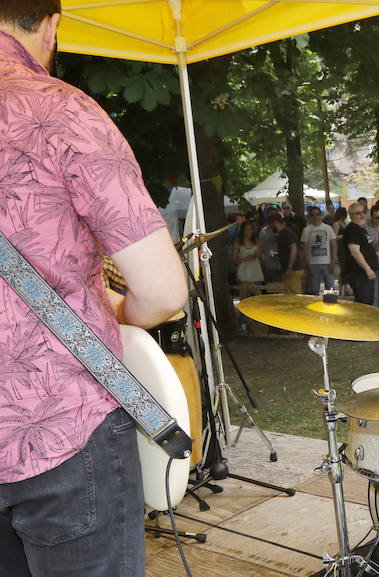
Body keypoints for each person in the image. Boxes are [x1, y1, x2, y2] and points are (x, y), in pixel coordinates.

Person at [0, 4, 189, 575]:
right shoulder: (59, 110)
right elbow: (162, 292)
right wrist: (115, 310)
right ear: (50, 25)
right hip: (62, 429)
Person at [342, 202, 378, 304]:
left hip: (364, 273)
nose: (362, 215)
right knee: (364, 303)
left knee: (369, 301)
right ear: (351, 215)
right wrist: (368, 269)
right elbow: (355, 252)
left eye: (363, 212)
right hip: (358, 273)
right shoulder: (352, 229)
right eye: (358, 213)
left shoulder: (361, 228)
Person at [300, 206, 337, 294]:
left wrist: (333, 262)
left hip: (327, 263)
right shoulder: (306, 230)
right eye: (313, 215)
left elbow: (334, 246)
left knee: (330, 290)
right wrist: (308, 265)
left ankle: (329, 307)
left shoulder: (328, 228)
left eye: (317, 214)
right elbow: (304, 249)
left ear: (321, 215)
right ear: (310, 216)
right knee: (314, 291)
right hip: (313, 264)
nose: (315, 217)